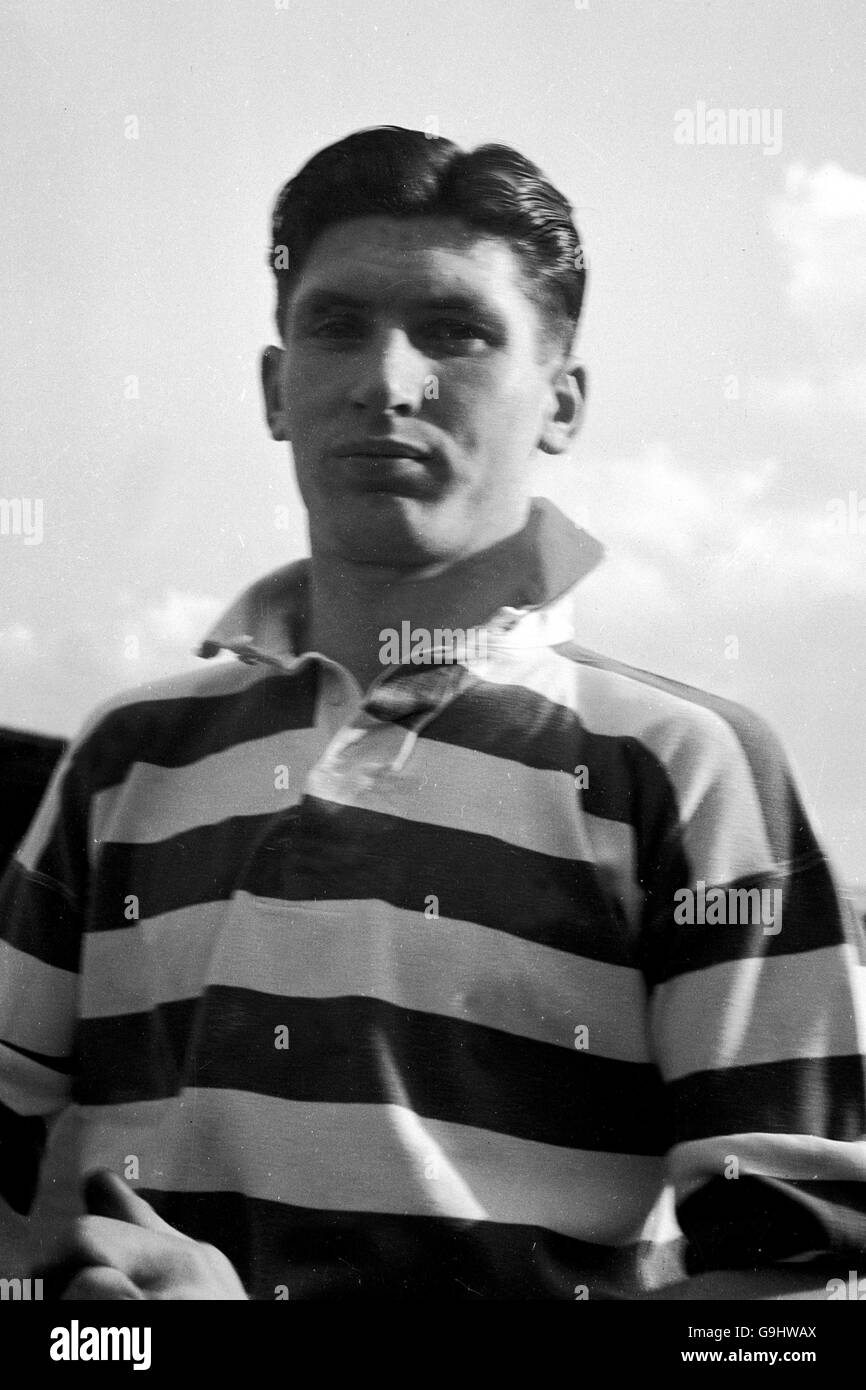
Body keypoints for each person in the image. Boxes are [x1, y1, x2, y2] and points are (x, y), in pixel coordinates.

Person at [1, 125, 864, 1301]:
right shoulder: (125, 757)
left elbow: (789, 1301)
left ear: (560, 402)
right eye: (336, 325)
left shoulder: (683, 768)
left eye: (455, 333)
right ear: (274, 388)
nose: (385, 382)